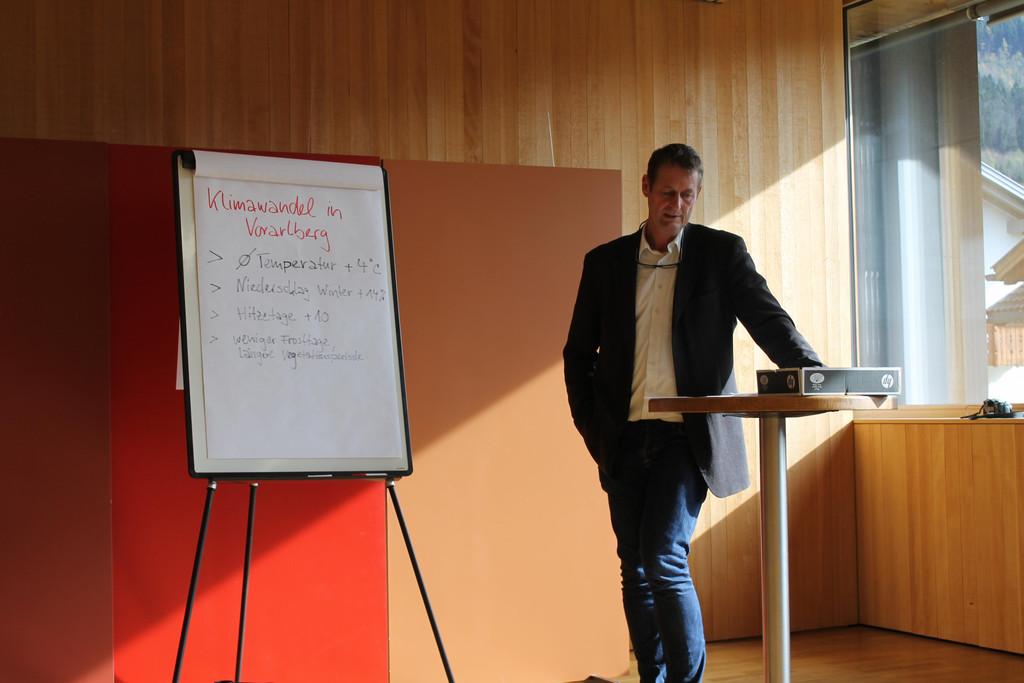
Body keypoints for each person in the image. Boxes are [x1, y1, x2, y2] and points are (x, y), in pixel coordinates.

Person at [563, 143, 823, 683]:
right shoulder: (605, 263)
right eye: (667, 193)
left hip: (687, 439)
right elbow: (577, 355)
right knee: (634, 567)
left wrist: (812, 372)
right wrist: (594, 429)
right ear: (646, 188)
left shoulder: (720, 254)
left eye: (687, 195)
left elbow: (768, 320)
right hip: (622, 438)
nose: (676, 205)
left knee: (662, 556)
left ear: (697, 195)